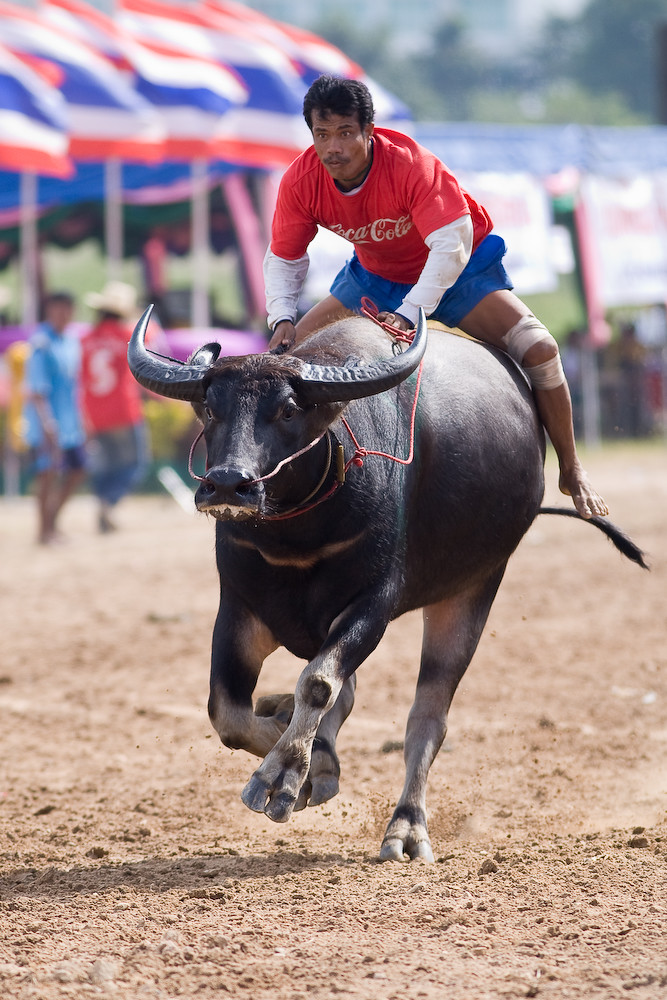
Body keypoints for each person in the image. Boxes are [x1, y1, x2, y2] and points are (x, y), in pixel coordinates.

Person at [264, 75, 608, 520]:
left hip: (459, 270)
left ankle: (572, 468)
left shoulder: (411, 165)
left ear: (369, 131)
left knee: (540, 349)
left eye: (346, 133)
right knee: (280, 366)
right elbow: (285, 258)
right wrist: (282, 319)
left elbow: (452, 245)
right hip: (374, 277)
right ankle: (274, 484)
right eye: (322, 135)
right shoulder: (301, 180)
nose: (333, 148)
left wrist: (410, 314)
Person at [80, 280, 149, 533]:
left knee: (106, 464)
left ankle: (102, 502)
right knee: (135, 464)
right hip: (124, 410)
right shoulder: (127, 336)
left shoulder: (86, 339)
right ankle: (109, 503)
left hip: (95, 413)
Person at [23, 291, 87, 545]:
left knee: (77, 470)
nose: (63, 314)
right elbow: (36, 390)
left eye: (67, 308)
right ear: (49, 310)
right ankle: (44, 531)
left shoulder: (72, 341)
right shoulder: (41, 343)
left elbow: (74, 385)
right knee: (47, 475)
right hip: (46, 423)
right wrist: (47, 422)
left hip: (71, 422)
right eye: (58, 308)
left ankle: (52, 522)